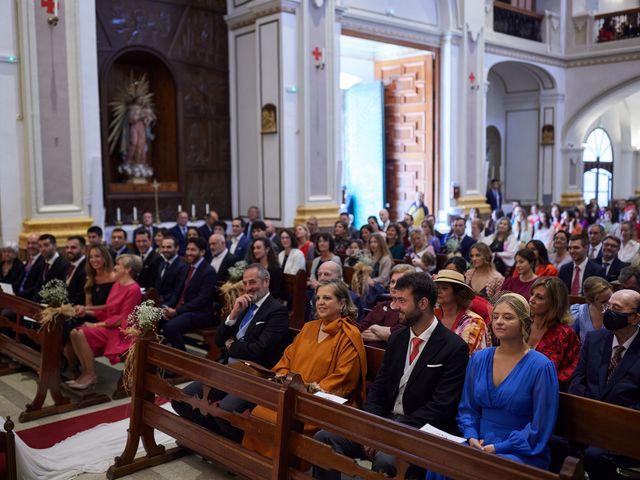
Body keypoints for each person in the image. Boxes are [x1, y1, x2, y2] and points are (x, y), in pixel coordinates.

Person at [313, 273, 468, 480]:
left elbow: (441, 407)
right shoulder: (398, 338)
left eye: (401, 301)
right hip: (384, 422)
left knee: (386, 461)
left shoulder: (453, 347)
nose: (394, 307)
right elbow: (379, 389)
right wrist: (371, 426)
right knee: (324, 438)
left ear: (423, 303)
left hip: (418, 431)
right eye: (394, 299)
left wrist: (386, 434)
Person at [243, 280, 367, 458]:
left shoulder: (350, 335)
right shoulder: (309, 327)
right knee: (260, 412)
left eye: (327, 298)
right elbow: (287, 359)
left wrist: (306, 392)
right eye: (318, 298)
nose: (320, 302)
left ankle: (280, 470)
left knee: (273, 418)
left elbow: (344, 377)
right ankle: (257, 467)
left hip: (317, 403)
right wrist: (285, 383)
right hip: (290, 394)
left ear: (342, 303)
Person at [172, 264, 290, 442]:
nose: (248, 287)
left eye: (253, 282)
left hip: (254, 375)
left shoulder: (277, 311)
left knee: (224, 413)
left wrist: (232, 346)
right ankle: (216, 441)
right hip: (229, 369)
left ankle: (239, 449)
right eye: (245, 283)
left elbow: (259, 351)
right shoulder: (243, 305)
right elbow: (219, 341)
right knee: (181, 399)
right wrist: (233, 314)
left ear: (266, 281)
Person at [453, 293, 559, 472]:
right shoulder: (479, 358)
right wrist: (471, 436)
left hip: (521, 448)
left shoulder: (541, 366)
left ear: (524, 322)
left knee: (491, 469)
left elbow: (540, 424)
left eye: (508, 317)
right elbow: (467, 408)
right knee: (442, 462)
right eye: (495, 317)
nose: (499, 321)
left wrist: (500, 447)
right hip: (479, 440)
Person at [568, 289, 640, 479]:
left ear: (634, 318)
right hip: (588, 420)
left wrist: (613, 419)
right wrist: (590, 410)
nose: (606, 312)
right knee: (554, 441)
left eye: (615, 308)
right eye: (607, 306)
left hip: (624, 429)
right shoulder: (595, 338)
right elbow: (577, 379)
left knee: (595, 455)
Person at [67, 254, 142, 389]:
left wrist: (95, 324)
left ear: (128, 269)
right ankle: (86, 372)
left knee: (81, 333)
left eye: (118, 264)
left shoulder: (134, 289)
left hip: (122, 331)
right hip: (109, 325)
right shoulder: (117, 285)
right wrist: (87, 311)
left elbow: (123, 318)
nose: (114, 267)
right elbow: (109, 310)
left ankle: (91, 375)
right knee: (74, 332)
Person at [161, 237, 217, 351]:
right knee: (155, 319)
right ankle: (161, 356)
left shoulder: (209, 271)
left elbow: (201, 300)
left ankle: (183, 360)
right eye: (188, 249)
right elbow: (177, 291)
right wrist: (167, 307)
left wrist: (176, 311)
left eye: (193, 250)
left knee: (170, 327)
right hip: (184, 309)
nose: (189, 253)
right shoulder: (187, 267)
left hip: (200, 313)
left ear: (202, 252)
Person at [528, 277, 581, 387]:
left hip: (546, 390)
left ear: (554, 303)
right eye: (532, 294)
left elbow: (569, 371)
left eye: (540, 297)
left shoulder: (564, 334)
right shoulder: (522, 324)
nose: (531, 299)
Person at [359, 264, 416, 348]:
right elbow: (361, 330)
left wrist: (374, 328)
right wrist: (384, 336)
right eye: (392, 282)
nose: (394, 286)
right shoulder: (381, 305)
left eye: (399, 282)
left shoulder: (411, 309)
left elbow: (400, 337)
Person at [433, 270, 490, 354]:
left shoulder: (474, 322)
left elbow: (470, 356)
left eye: (444, 288)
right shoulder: (432, 316)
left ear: (458, 292)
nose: (438, 291)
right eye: (437, 288)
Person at [570, 276, 612, 344]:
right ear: (591, 301)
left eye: (611, 298)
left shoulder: (618, 312)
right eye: (604, 302)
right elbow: (569, 339)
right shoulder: (579, 312)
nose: (609, 304)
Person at [155, 235, 188, 308]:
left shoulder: (182, 266)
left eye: (169, 247)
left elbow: (177, 291)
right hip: (157, 303)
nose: (165, 250)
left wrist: (166, 307)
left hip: (170, 306)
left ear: (177, 248)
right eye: (163, 247)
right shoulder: (162, 264)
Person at [16, 233, 45, 301]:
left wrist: (17, 295)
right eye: (28, 243)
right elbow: (20, 280)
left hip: (29, 300)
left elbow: (37, 287)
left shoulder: (43, 261)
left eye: (34, 243)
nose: (30, 246)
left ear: (40, 245)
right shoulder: (30, 259)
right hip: (19, 296)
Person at [64, 235, 87, 306]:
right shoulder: (67, 265)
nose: (69, 250)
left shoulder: (87, 268)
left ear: (83, 249)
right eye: (67, 247)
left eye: (73, 248)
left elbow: (81, 296)